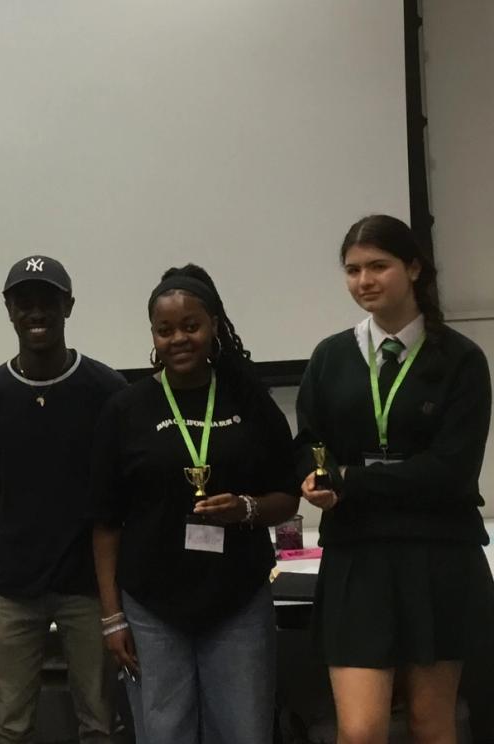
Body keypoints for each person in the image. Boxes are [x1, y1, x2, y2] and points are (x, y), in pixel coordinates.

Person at [295, 214, 494, 744]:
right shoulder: (330, 357)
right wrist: (312, 476)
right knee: (360, 731)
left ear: (413, 268)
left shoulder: (461, 360)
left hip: (438, 554)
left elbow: (450, 471)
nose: (364, 281)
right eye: (353, 269)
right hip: (358, 556)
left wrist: (352, 482)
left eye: (378, 266)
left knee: (433, 725)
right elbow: (311, 442)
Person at [91, 264, 300, 744]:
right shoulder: (125, 409)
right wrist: (112, 617)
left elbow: (287, 496)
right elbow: (104, 522)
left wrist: (246, 508)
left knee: (245, 732)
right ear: (153, 337)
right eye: (165, 331)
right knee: (164, 733)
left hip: (238, 600)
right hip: (151, 606)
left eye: (191, 326)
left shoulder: (249, 400)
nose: (178, 339)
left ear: (213, 328)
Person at [0, 255, 126, 743]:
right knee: (10, 725)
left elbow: (117, 494)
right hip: (12, 587)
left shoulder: (107, 390)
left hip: (89, 586)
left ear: (68, 306)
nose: (37, 312)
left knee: (98, 722)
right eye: (24, 302)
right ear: (9, 309)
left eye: (48, 301)